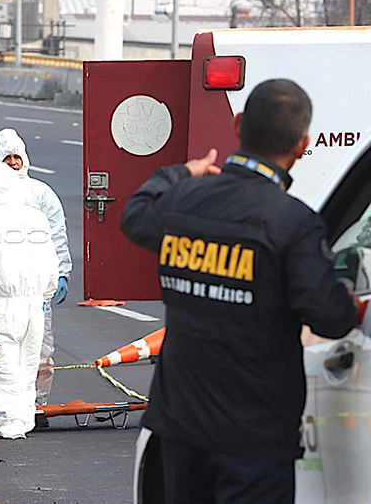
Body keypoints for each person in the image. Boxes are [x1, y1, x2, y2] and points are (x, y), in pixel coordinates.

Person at [121, 79, 359, 504]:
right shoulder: (292, 222)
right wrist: (347, 296)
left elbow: (134, 216)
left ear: (238, 125)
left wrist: (181, 172)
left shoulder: (183, 200)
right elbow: (331, 316)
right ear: (302, 145)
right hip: (254, 438)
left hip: (180, 426)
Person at [0, 128, 71, 422]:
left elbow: (56, 237)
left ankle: (35, 407)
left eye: (16, 157)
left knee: (39, 356)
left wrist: (61, 274)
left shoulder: (40, 193)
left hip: (32, 293)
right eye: (7, 158)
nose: (13, 163)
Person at [0, 162, 58, 439]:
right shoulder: (37, 219)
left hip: (0, 306)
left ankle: (7, 424)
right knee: (27, 366)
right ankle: (23, 420)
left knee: (0, 367)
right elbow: (51, 264)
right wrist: (46, 296)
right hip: (34, 306)